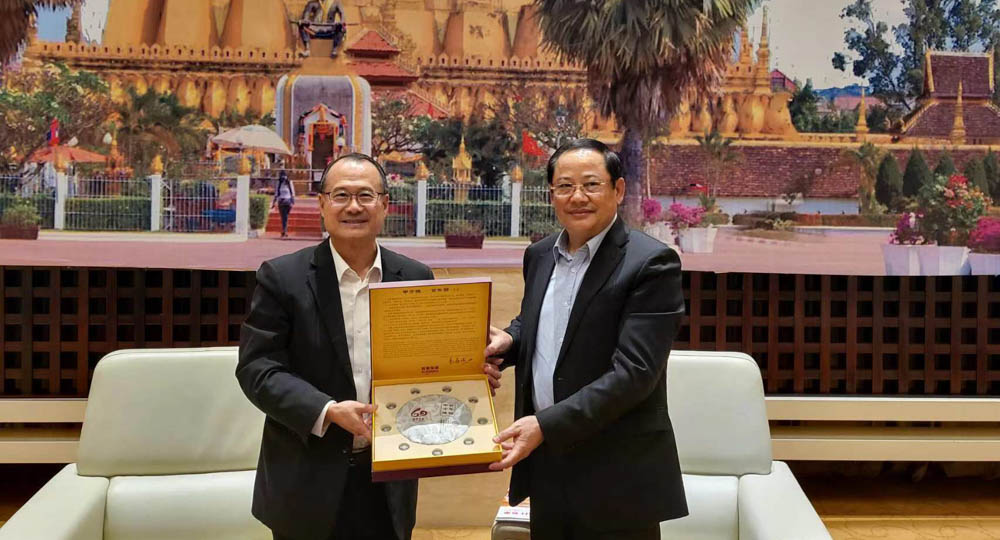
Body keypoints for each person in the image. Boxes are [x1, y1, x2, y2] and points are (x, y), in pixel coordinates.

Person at [484, 139, 688, 539]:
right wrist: (508, 342)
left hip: (618, 472)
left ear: (618, 190)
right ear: (551, 194)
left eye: (591, 185)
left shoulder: (651, 263)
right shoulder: (540, 254)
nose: (577, 197)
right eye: (565, 186)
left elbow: (635, 373)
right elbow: (540, 324)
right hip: (548, 464)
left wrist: (545, 424)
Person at [272, 170, 295, 238]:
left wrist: (292, 201)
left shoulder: (289, 182)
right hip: (282, 201)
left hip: (287, 201)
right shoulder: (279, 183)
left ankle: (284, 230)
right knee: (284, 217)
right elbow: (276, 193)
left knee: (285, 217)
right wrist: (274, 202)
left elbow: (292, 192)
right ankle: (284, 231)